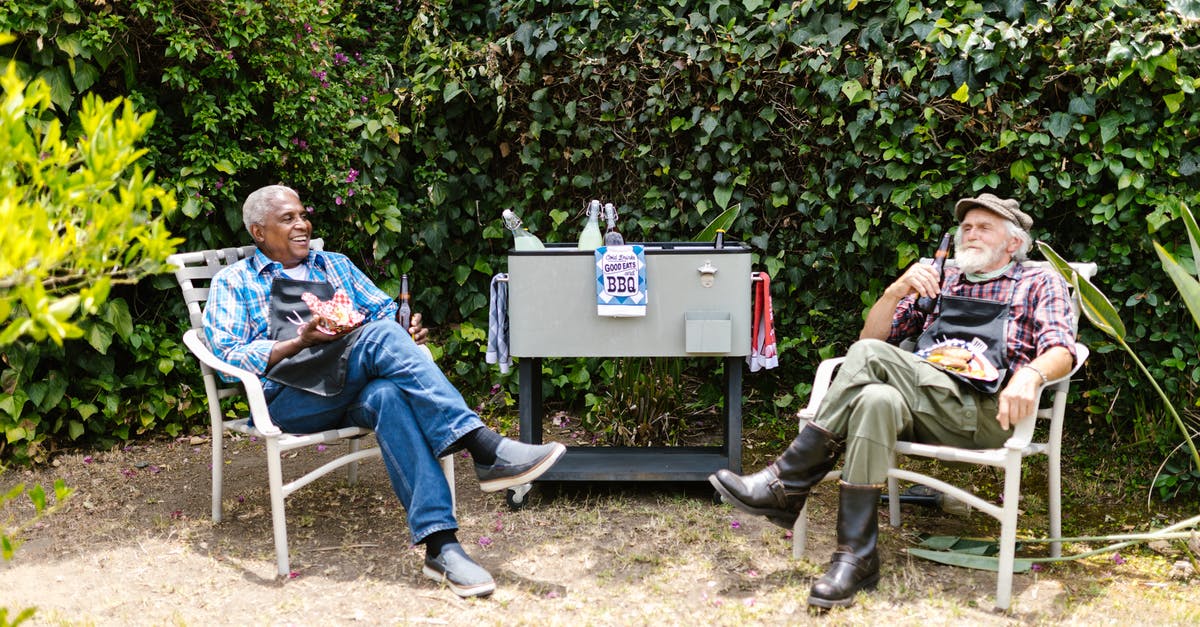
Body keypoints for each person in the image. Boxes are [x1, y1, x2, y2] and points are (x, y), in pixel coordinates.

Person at [709, 193, 1076, 609]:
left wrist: (1031, 374)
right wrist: (894, 290)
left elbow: (1063, 348)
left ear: (1013, 242)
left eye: (983, 227)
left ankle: (786, 483)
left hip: (984, 409)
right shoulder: (944, 278)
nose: (970, 234)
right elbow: (872, 339)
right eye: (966, 227)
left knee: (869, 362)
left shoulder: (1037, 280)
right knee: (877, 399)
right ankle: (856, 558)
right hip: (923, 400)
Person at [203, 184, 566, 598]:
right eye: (288, 219)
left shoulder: (333, 264)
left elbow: (382, 313)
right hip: (288, 400)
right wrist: (297, 342)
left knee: (388, 394)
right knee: (379, 338)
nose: (302, 225)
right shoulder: (235, 281)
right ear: (258, 232)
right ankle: (485, 449)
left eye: (304, 215)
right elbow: (228, 355)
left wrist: (405, 326)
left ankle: (441, 547)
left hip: (346, 389)